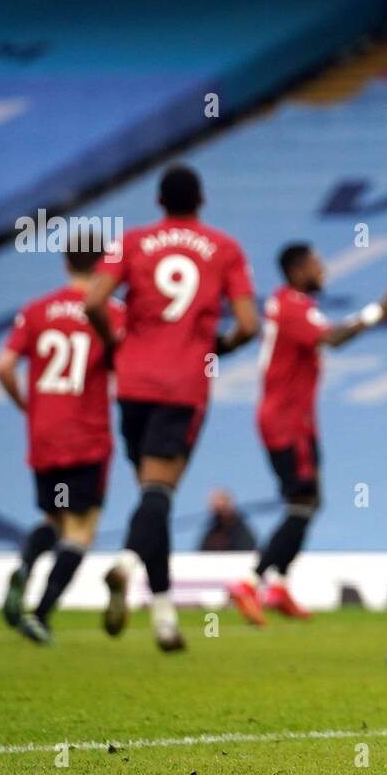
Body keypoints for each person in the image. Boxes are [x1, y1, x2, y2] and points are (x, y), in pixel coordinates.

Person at [85, 164, 258, 652]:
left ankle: (163, 619)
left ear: (159, 201)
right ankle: (124, 564)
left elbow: (94, 301)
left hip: (133, 381)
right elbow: (247, 323)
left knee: (151, 496)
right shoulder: (223, 248)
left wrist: (117, 346)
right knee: (159, 495)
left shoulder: (134, 242)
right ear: (200, 200)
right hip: (182, 384)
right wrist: (216, 347)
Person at [225, 242, 387, 625]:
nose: (323, 271)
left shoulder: (292, 305)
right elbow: (333, 339)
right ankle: (251, 581)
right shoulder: (292, 305)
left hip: (296, 420)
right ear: (297, 271)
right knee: (302, 501)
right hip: (286, 421)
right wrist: (377, 311)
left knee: (308, 501)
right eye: (316, 265)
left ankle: (277, 584)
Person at [0, 229, 123, 645]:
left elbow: (4, 366)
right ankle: (42, 613)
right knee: (81, 529)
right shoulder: (111, 312)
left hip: (45, 433)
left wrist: (26, 407)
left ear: (66, 263)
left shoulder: (36, 311)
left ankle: (25, 565)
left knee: (54, 518)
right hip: (86, 436)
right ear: (104, 264)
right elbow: (124, 369)